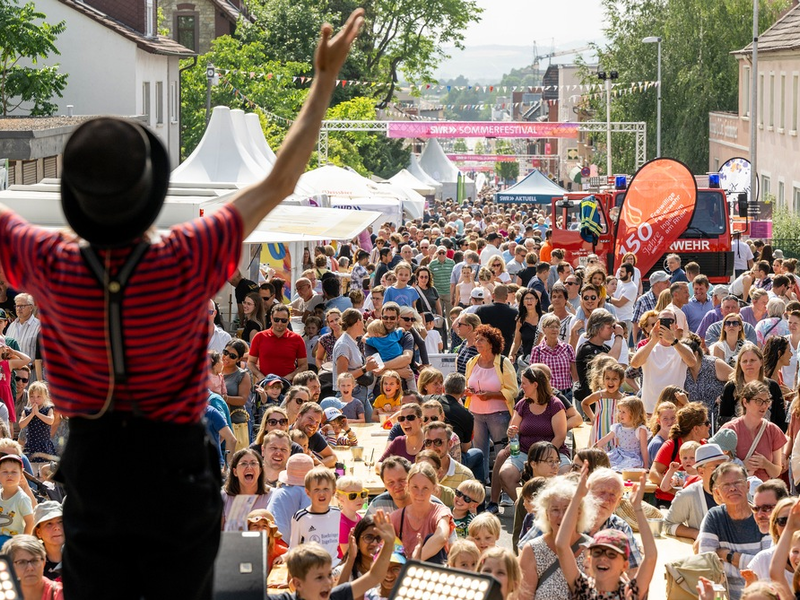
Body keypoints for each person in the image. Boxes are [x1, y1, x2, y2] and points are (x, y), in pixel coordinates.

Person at [556, 466, 657, 600]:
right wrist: (577, 498)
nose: (603, 558)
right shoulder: (582, 589)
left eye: (611, 554)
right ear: (589, 560)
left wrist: (637, 508)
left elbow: (650, 557)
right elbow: (561, 545)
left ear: (624, 565)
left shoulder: (628, 593)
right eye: (597, 552)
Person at [270, 510, 396, 600]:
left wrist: (389, 543)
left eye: (329, 575)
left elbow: (374, 576)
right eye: (319, 577)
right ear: (298, 584)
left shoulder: (335, 595)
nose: (329, 582)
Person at [697, 462, 771, 600]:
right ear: (718, 492)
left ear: (748, 486)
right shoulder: (714, 517)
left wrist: (729, 556)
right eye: (726, 485)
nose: (732, 489)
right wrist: (749, 563)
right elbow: (707, 563)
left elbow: (766, 567)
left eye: (737, 483)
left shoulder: (763, 517)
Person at [518, 477, 594, 600]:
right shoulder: (532, 550)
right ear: (546, 514)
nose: (561, 516)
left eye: (568, 510)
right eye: (555, 510)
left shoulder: (593, 549)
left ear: (579, 513)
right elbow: (523, 598)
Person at [465, 325, 518, 486]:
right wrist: (468, 391)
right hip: (475, 414)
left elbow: (513, 390)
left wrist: (491, 395)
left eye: (482, 340)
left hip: (499, 415)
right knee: (479, 453)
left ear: (492, 343)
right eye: (477, 339)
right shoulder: (472, 362)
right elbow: (468, 383)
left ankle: (505, 488)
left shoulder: (503, 362)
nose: (477, 342)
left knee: (503, 452)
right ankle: (481, 488)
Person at [720, 381, 785, 482]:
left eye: (767, 401)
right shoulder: (729, 429)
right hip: (737, 489)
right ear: (745, 402)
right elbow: (720, 466)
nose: (764, 406)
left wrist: (766, 464)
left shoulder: (773, 430)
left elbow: (777, 471)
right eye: (759, 401)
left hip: (763, 491)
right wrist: (743, 465)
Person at [389, 463, 453, 563]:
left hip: (430, 571)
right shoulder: (396, 517)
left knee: (430, 538)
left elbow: (441, 537)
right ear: (408, 486)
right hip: (402, 572)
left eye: (425, 488)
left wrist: (414, 561)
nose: (420, 493)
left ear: (433, 488)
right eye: (415, 487)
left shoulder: (441, 512)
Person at [649, 402, 710, 506]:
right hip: (670, 502)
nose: (710, 426)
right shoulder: (672, 445)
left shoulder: (705, 445)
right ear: (696, 428)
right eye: (707, 423)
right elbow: (653, 474)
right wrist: (674, 491)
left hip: (696, 502)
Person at [664, 443, 728, 539]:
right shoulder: (688, 495)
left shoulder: (738, 490)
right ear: (701, 471)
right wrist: (696, 534)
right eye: (717, 467)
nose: (723, 471)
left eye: (725, 467)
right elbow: (668, 525)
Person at [719, 343, 787, 431]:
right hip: (739, 437)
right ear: (739, 364)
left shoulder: (772, 387)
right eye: (744, 361)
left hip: (767, 437)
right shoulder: (731, 387)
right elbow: (722, 419)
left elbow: (781, 420)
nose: (748, 364)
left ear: (761, 362)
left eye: (752, 360)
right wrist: (740, 422)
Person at [250, 304, 309, 381]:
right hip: (265, 385)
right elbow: (250, 362)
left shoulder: (297, 339)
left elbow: (304, 365)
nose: (279, 323)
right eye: (276, 320)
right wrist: (260, 376)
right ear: (271, 318)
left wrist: (289, 377)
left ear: (288, 320)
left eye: (283, 320)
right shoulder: (259, 337)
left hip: (288, 385)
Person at [289, 467, 340, 557]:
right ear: (308, 492)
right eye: (316, 489)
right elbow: (293, 549)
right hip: (311, 568)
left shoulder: (337, 514)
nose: (321, 493)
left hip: (335, 567)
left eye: (326, 489)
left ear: (333, 491)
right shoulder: (300, 517)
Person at [221, 448, 271, 531]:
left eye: (253, 463)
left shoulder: (273, 496)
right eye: (244, 464)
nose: (249, 467)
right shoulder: (223, 497)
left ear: (260, 470)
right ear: (235, 472)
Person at [594, 397, 649, 470]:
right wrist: (594, 447)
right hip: (618, 454)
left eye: (623, 412)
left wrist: (646, 466)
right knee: (605, 462)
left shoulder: (640, 429)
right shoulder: (617, 427)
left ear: (634, 414)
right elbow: (605, 439)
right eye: (619, 411)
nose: (620, 414)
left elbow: (644, 448)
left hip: (632, 457)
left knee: (631, 465)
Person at [2, 534, 63, 600]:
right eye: (22, 562)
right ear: (10, 567)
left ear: (44, 562)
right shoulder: (3, 596)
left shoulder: (60, 594)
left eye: (35, 561)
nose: (30, 568)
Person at [31, 501, 63, 581]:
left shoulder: (80, 555)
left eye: (60, 522)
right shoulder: (32, 563)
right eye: (49, 523)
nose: (57, 527)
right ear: (38, 532)